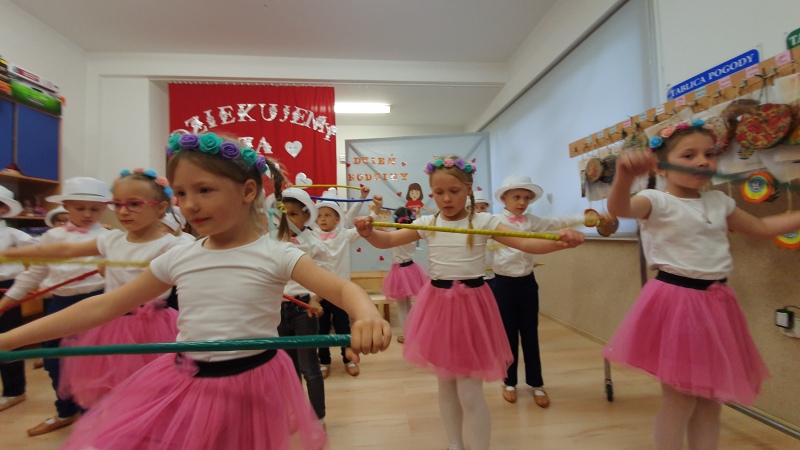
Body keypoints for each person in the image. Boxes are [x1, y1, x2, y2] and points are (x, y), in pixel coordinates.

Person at [0, 132, 390, 449]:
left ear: (248, 191)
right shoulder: (180, 256)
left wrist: (367, 314)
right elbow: (103, 307)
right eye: (182, 194)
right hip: (187, 380)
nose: (189, 205)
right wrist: (9, 339)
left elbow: (343, 289)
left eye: (204, 190)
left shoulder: (277, 254)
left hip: (253, 384)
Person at [354, 156, 584, 450]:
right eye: (439, 192)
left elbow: (527, 243)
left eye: (454, 191)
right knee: (446, 384)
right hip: (438, 307)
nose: (446, 199)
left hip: (472, 307)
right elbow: (387, 241)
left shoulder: (485, 221)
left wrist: (559, 242)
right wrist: (369, 233)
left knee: (469, 390)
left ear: (469, 189)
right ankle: (455, 445)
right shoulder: (428, 222)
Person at [604, 119, 800, 450]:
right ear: (661, 167)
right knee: (680, 400)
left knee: (711, 401)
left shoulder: (719, 202)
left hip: (717, 304)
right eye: (689, 155)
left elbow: (762, 227)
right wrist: (624, 177)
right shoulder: (655, 200)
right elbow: (619, 208)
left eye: (709, 154)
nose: (702, 162)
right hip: (676, 304)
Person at [0, 169, 182, 411]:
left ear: (160, 208)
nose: (123, 211)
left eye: (134, 204)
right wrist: (9, 253)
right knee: (111, 390)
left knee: (151, 389)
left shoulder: (173, 246)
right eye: (117, 204)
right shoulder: (112, 239)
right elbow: (65, 250)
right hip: (110, 323)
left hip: (153, 326)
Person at [0, 177, 111, 436]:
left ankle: (93, 419)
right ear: (66, 206)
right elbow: (35, 273)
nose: (87, 214)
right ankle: (65, 411)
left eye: (95, 209)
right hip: (59, 305)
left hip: (96, 305)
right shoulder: (51, 237)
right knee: (54, 363)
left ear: (105, 208)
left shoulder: (110, 238)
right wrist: (7, 301)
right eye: (80, 208)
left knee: (93, 366)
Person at [491, 175, 598, 407]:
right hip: (503, 285)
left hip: (527, 284)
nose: (522, 202)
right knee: (507, 334)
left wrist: (585, 218)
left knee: (530, 333)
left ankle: (536, 383)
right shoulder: (494, 221)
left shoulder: (531, 220)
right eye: (517, 197)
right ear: (504, 198)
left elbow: (557, 221)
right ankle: (509, 382)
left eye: (526, 198)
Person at [277, 186, 330, 428]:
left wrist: (316, 300)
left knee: (309, 367)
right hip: (279, 310)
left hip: (304, 309)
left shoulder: (314, 243)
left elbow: (324, 276)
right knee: (289, 368)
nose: (287, 219)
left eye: (293, 214)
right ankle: (296, 412)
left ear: (307, 215)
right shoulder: (273, 241)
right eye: (283, 214)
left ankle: (318, 417)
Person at [314, 186, 373, 378]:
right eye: (319, 216)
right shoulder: (311, 236)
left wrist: (372, 210)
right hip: (320, 293)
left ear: (337, 219)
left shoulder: (344, 235)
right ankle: (324, 361)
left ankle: (348, 359)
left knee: (343, 328)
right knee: (321, 330)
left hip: (341, 294)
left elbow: (360, 227)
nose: (322, 219)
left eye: (327, 215)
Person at [0, 186, 35, 413]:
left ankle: (14, 390)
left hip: (7, 289)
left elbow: (42, 251)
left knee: (8, 338)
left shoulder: (14, 235)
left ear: (3, 208)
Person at [374, 204, 429, 345]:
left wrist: (375, 214)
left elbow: (377, 228)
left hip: (400, 272)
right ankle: (411, 332)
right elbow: (418, 224)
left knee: (401, 306)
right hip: (411, 270)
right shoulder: (413, 235)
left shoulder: (395, 236)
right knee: (408, 304)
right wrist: (417, 214)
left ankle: (407, 335)